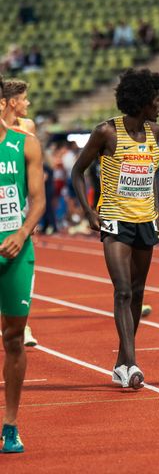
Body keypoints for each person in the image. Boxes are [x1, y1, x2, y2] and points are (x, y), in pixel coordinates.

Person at [72, 68, 159, 389]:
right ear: (141, 101)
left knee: (138, 292)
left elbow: (152, 176)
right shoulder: (106, 132)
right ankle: (132, 362)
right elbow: (77, 172)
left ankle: (120, 363)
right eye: (156, 99)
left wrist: (157, 213)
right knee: (123, 290)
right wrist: (88, 212)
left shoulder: (155, 131)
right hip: (114, 220)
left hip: (145, 221)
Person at [0, 75, 45, 453]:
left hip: (15, 250)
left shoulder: (25, 143)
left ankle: (10, 425)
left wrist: (23, 232)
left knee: (13, 338)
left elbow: (38, 199)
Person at [1, 79, 38, 346]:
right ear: (11, 102)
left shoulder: (27, 130)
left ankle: (24, 324)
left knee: (21, 270)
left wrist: (28, 220)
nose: (27, 103)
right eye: (24, 98)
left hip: (20, 210)